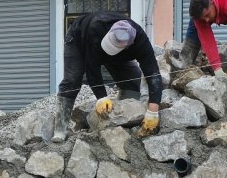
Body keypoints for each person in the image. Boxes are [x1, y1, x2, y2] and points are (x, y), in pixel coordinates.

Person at [54, 11, 163, 142]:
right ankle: (60, 129)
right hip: (79, 39)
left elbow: (153, 74)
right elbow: (92, 67)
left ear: (129, 45)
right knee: (72, 80)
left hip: (118, 52)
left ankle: (125, 120)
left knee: (132, 78)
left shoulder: (141, 43)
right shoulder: (96, 28)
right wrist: (101, 97)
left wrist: (153, 111)